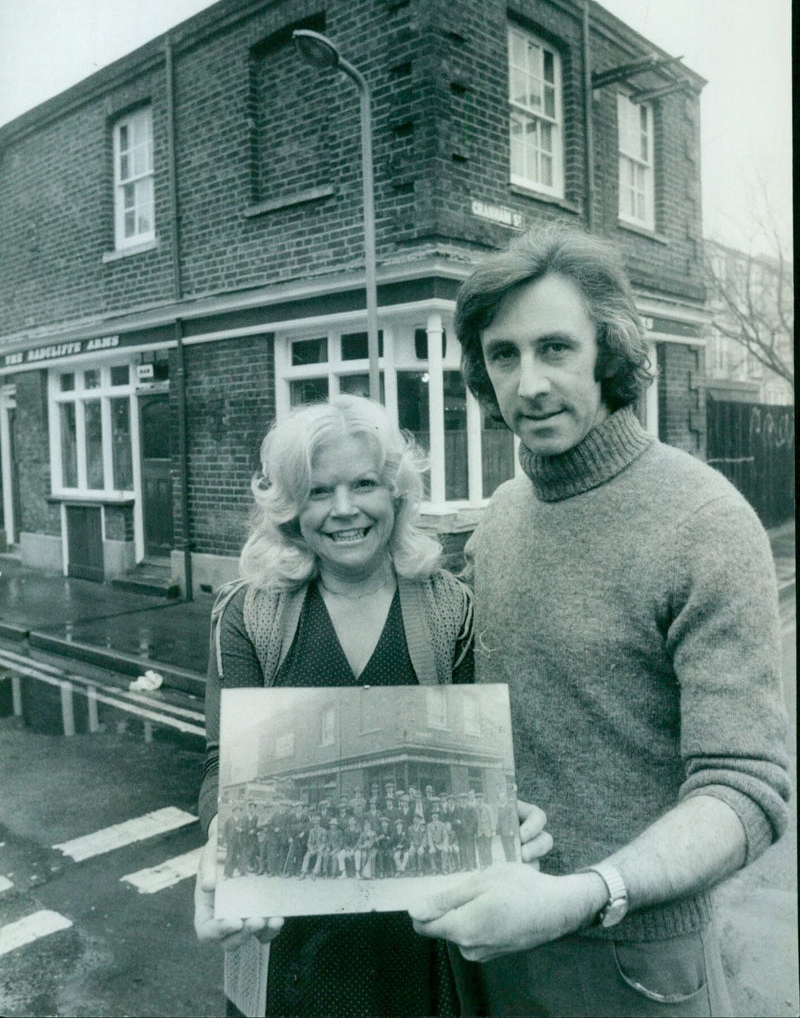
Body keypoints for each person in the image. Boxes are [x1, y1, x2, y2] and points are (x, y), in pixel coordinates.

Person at [410, 226, 791, 1017]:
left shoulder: (705, 521)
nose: (530, 383)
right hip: (495, 942)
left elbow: (748, 789)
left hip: (633, 959)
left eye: (556, 348)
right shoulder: (505, 515)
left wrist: (586, 892)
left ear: (609, 353)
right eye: (503, 355)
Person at [194, 395, 548, 1017]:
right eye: (317, 491)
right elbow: (220, 771)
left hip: (419, 945)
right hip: (289, 947)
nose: (344, 509)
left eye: (364, 484)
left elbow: (476, 758)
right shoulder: (248, 615)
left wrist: (500, 822)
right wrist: (224, 845)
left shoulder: (451, 609)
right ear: (287, 508)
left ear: (398, 494)